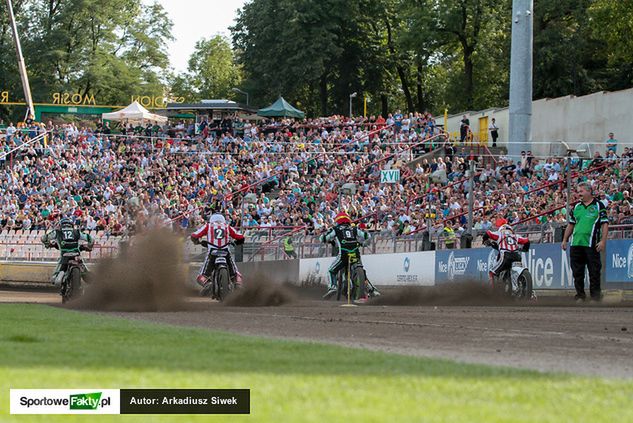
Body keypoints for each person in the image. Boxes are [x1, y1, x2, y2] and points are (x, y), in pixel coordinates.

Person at [561, 182, 609, 302]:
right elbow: (571, 225)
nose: (579, 194)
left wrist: (603, 241)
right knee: (577, 272)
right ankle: (580, 296)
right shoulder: (577, 207)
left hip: (591, 244)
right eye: (578, 192)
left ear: (589, 191)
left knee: (594, 271)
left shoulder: (599, 205)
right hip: (576, 244)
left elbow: (605, 224)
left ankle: (595, 297)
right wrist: (565, 239)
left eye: (581, 191)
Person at [320, 211, 374, 301]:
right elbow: (367, 235)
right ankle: (371, 289)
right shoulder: (354, 229)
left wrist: (323, 235)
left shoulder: (336, 229)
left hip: (343, 254)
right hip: (355, 253)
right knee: (361, 270)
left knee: (331, 271)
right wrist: (362, 244)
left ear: (338, 221)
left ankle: (332, 287)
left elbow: (323, 239)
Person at [191, 213, 245, 292]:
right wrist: (236, 242)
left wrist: (198, 242)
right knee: (234, 271)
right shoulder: (227, 226)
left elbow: (194, 235)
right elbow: (241, 237)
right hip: (225, 252)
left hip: (212, 252)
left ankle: (206, 283)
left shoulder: (208, 226)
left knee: (202, 275)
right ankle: (238, 283)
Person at [41, 217, 94, 286]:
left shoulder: (57, 232)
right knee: (86, 273)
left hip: (64, 254)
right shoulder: (77, 232)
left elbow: (44, 238)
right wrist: (89, 246)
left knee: (55, 277)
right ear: (71, 225)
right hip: (76, 254)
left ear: (61, 225)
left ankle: (58, 276)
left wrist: (48, 244)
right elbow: (90, 239)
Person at [483, 220, 530, 285]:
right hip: (517, 256)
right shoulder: (516, 236)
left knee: (492, 272)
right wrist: (525, 249)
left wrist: (485, 240)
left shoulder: (499, 234)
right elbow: (527, 240)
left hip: (506, 256)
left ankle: (493, 292)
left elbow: (488, 233)